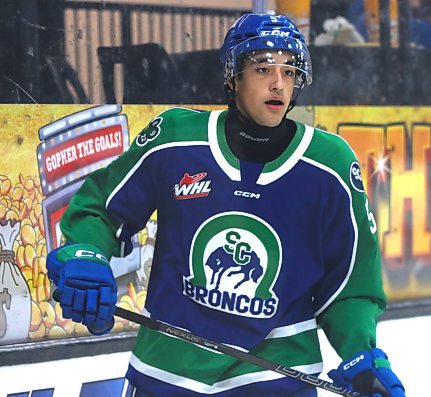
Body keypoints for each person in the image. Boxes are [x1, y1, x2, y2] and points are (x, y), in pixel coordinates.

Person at [46, 13, 405, 397]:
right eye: (263, 68)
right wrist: (85, 255)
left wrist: (360, 351)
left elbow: (350, 283)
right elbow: (101, 207)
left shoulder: (328, 164)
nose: (278, 83)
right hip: (166, 375)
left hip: (276, 381)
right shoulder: (176, 139)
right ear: (233, 76)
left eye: (289, 70)